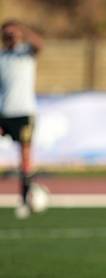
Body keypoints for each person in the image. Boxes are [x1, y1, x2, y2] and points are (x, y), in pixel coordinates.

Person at [0, 19, 43, 219]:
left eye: (13, 34)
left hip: (24, 113)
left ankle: (25, 200)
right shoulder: (2, 58)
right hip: (3, 112)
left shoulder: (26, 53)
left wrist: (23, 30)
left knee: (25, 157)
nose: (10, 37)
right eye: (7, 34)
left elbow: (39, 45)